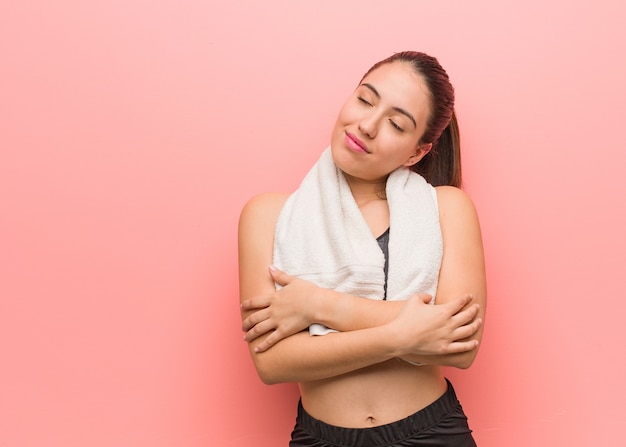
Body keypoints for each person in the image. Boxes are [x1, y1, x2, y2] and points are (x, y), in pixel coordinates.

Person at [238, 51, 486, 447]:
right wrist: (400, 337)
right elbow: (271, 362)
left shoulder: (445, 208)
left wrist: (319, 306)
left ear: (417, 152)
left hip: (433, 433)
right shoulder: (268, 215)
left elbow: (457, 342)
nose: (367, 125)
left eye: (396, 123)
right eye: (365, 100)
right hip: (319, 438)